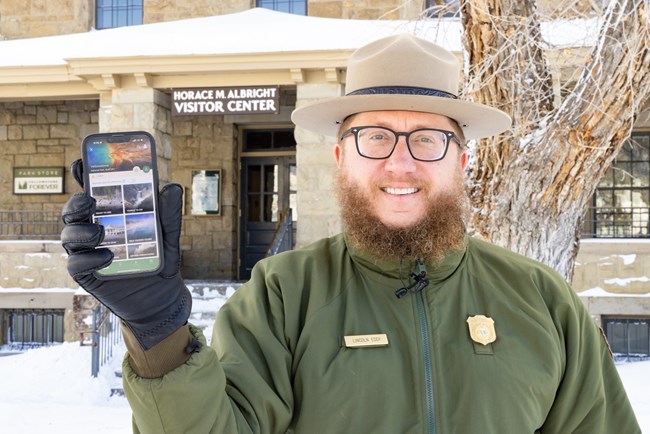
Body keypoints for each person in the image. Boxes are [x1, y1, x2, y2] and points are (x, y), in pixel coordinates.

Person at [61, 34, 641, 433]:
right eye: (375, 137)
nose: (401, 163)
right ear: (342, 158)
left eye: (428, 140)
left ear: (462, 161)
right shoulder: (284, 293)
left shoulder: (539, 297)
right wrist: (157, 332)